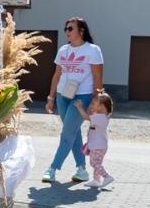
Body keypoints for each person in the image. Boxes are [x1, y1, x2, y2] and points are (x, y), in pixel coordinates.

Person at [42, 16, 104, 183]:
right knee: (73, 132)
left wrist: (96, 100)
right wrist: (51, 97)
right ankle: (82, 170)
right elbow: (57, 74)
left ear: (81, 31)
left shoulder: (93, 50)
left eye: (70, 28)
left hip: (82, 97)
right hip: (63, 96)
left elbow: (98, 77)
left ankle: (52, 169)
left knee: (67, 134)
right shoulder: (63, 50)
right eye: (66, 29)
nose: (67, 32)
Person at [75, 90, 114, 188]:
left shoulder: (100, 117)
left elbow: (86, 117)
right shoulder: (103, 116)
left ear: (101, 106)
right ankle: (96, 180)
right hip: (99, 145)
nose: (91, 105)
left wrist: (79, 107)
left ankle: (107, 176)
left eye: (93, 104)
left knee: (94, 163)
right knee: (97, 163)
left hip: (98, 145)